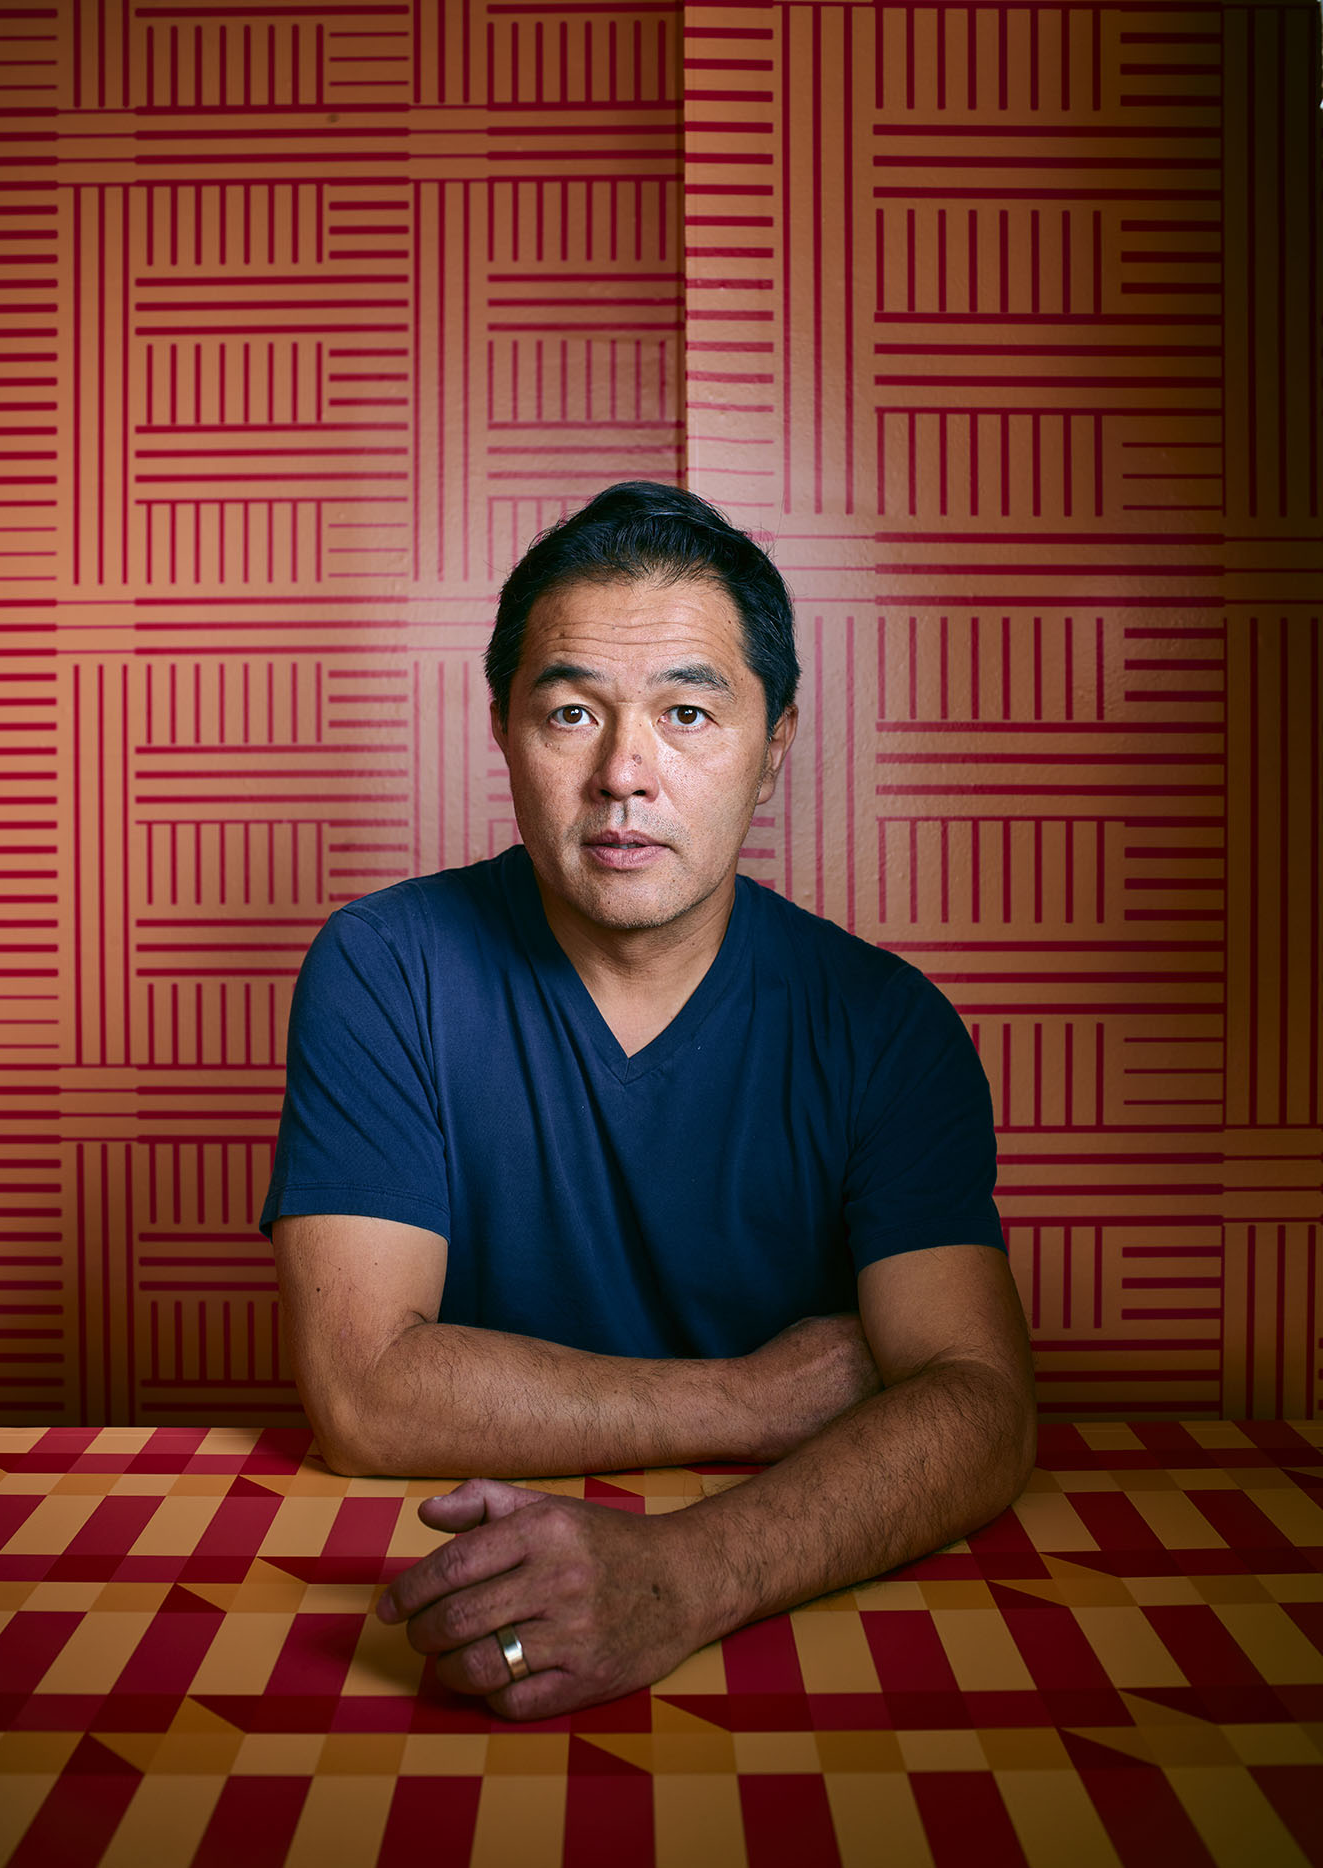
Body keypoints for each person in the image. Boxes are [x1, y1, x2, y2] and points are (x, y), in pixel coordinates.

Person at [261, 481, 1036, 1720]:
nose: (623, 773)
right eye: (571, 712)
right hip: (440, 1567)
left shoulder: (882, 1023)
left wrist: (686, 1572)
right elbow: (363, 1395)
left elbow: (981, 1405)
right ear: (503, 728)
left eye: (687, 712)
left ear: (773, 745)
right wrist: (751, 1396)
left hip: (796, 1584)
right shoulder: (386, 967)